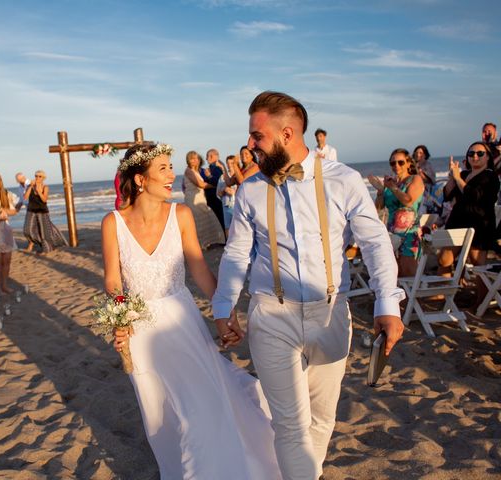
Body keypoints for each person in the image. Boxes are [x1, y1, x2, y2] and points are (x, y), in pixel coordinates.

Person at [212, 91, 405, 479]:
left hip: (331, 312)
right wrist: (223, 306)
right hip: (271, 314)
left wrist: (388, 304)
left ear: (286, 134)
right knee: (289, 425)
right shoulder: (250, 190)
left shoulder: (343, 180)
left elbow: (374, 242)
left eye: (257, 136)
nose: (250, 146)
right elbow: (236, 254)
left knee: (321, 419)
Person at [105, 143, 281, 479]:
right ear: (140, 179)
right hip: (140, 330)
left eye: (172, 167)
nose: (172, 175)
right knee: (160, 411)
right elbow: (113, 281)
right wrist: (119, 321)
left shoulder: (181, 215)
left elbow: (200, 269)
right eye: (163, 169)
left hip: (181, 321)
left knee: (198, 404)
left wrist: (224, 311)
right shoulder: (112, 223)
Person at [439, 142, 500, 305]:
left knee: (477, 264)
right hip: (457, 224)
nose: (474, 156)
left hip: (479, 225)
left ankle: (482, 302)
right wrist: (453, 176)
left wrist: (459, 178)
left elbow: (475, 196)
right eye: (471, 153)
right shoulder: (464, 174)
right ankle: (444, 296)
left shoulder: (490, 177)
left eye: (480, 153)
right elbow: (446, 194)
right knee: (444, 259)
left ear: (488, 157)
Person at [368, 149, 424, 277]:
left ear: (409, 163)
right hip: (392, 236)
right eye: (393, 163)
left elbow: (408, 201)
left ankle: (414, 298)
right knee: (394, 276)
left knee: (409, 275)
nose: (396, 166)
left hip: (409, 234)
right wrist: (381, 191)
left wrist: (393, 187)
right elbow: (378, 208)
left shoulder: (415, 179)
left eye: (400, 162)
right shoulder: (392, 184)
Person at [182, 151, 225, 249]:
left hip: (201, 198)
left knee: (206, 219)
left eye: (196, 158)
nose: (195, 160)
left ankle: (205, 243)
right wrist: (216, 185)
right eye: (192, 158)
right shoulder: (188, 170)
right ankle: (199, 245)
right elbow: (200, 184)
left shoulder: (198, 171)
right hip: (193, 199)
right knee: (198, 221)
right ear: (188, 160)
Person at [23, 170, 66, 254]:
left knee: (44, 232)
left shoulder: (45, 187)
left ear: (43, 178)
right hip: (31, 211)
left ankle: (46, 248)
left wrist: (39, 191)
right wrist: (31, 187)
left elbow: (44, 200)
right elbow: (25, 197)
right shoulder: (30, 186)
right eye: (36, 176)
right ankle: (40, 242)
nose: (37, 178)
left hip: (42, 211)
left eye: (40, 176)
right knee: (27, 230)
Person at [200, 148, 227, 230]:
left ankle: (223, 241)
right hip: (214, 199)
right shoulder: (215, 166)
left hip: (215, 199)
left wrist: (208, 176)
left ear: (212, 156)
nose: (206, 158)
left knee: (219, 220)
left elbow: (219, 182)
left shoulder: (216, 167)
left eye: (207, 156)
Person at [217, 155, 239, 238]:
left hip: (237, 204)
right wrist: (224, 190)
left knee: (238, 226)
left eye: (232, 163)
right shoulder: (222, 177)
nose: (230, 165)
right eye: (228, 163)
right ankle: (228, 245)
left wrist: (234, 192)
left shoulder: (239, 175)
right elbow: (218, 194)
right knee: (227, 226)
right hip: (226, 205)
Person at [15, 172, 33, 251]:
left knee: (29, 228)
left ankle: (31, 245)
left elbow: (27, 197)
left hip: (34, 207)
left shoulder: (31, 183)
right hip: (28, 208)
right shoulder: (20, 187)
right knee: (29, 228)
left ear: (24, 177)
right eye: (19, 179)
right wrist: (15, 209)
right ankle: (31, 244)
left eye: (22, 178)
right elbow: (22, 200)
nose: (21, 180)